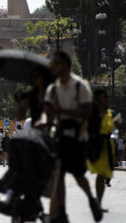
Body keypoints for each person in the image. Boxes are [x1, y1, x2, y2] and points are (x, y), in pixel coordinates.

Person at [44, 50, 102, 223]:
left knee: (78, 175)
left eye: (56, 64)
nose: (53, 67)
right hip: (60, 135)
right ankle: (61, 211)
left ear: (66, 65)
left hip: (77, 137)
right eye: (51, 64)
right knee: (59, 175)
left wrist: (63, 111)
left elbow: (88, 111)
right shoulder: (52, 89)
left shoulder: (80, 86)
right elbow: (48, 114)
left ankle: (91, 199)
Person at [86, 89, 119, 213]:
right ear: (98, 98)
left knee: (104, 175)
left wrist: (118, 125)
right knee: (101, 175)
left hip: (108, 146)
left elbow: (116, 126)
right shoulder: (93, 113)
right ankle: (97, 203)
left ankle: (98, 202)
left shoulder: (111, 113)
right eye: (103, 96)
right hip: (97, 145)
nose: (106, 98)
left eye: (106, 96)